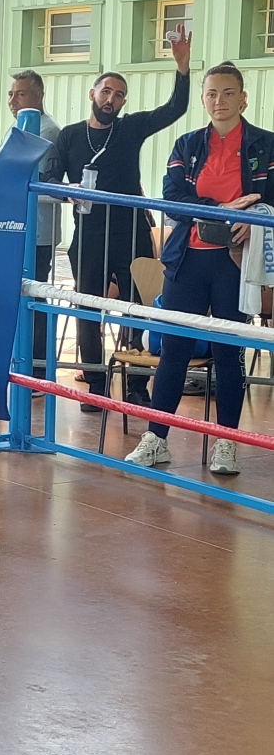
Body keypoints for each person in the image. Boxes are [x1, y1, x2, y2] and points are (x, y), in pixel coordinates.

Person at [124, 62, 273, 477]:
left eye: (228, 93)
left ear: (243, 99)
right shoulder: (187, 144)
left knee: (228, 352)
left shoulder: (267, 145)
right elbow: (172, 198)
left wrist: (257, 216)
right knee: (173, 349)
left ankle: (227, 441)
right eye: (211, 93)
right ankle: (156, 438)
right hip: (187, 259)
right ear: (203, 100)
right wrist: (222, 208)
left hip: (234, 262)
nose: (218, 100)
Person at [48, 27, 191, 409]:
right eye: (106, 91)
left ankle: (135, 385)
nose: (111, 99)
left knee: (136, 308)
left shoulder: (130, 128)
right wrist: (70, 189)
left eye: (119, 94)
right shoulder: (70, 136)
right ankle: (96, 385)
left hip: (131, 232)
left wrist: (182, 66)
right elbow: (50, 179)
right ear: (92, 94)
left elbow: (174, 109)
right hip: (89, 234)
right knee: (87, 309)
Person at [8, 70, 63, 385]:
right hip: (18, 225)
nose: (13, 100)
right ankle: (23, 359)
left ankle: (38, 366)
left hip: (38, 229)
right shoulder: (18, 127)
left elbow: (32, 178)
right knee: (20, 293)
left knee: (36, 295)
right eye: (11, 94)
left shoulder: (47, 131)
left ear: (38, 96)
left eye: (20, 94)